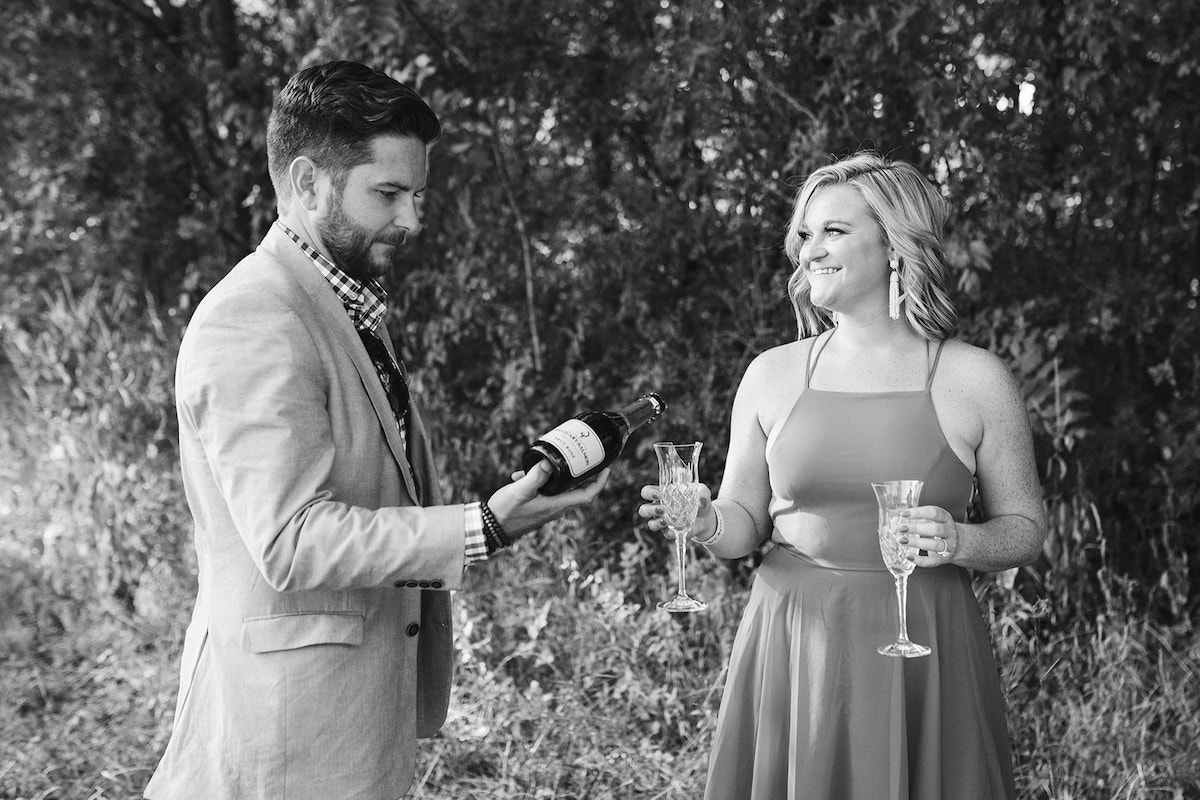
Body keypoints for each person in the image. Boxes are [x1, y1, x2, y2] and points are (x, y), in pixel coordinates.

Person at [144, 60, 608, 800]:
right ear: (308, 182)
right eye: (388, 193)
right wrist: (475, 526)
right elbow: (291, 540)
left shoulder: (345, 303)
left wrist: (498, 524)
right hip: (286, 730)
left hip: (352, 711)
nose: (413, 220)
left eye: (417, 195)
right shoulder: (255, 317)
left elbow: (372, 493)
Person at [638, 151, 1046, 799]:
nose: (808, 251)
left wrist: (961, 542)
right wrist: (706, 519)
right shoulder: (771, 374)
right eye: (804, 234)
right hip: (793, 637)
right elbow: (742, 523)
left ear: (893, 245)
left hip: (927, 643)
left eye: (832, 230)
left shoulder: (974, 379)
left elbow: (1025, 530)